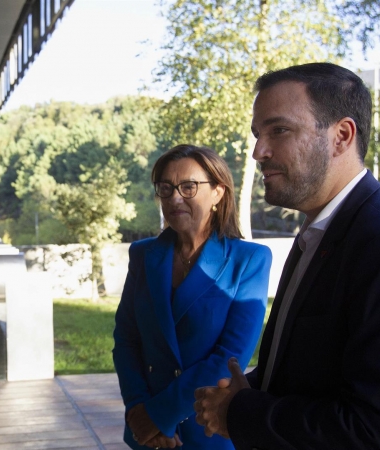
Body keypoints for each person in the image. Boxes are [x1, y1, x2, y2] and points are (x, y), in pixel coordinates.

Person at [193, 62, 380, 449]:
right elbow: (319, 374)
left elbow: (376, 433)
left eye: (279, 130)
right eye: (257, 134)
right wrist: (245, 391)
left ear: (341, 135)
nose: (258, 151)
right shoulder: (320, 231)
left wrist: (240, 412)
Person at [113, 144, 272, 449]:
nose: (174, 197)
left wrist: (160, 415)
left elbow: (229, 357)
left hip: (208, 430)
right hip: (147, 435)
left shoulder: (250, 260)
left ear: (218, 192)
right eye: (166, 187)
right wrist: (138, 409)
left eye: (188, 187)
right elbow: (126, 340)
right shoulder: (143, 255)